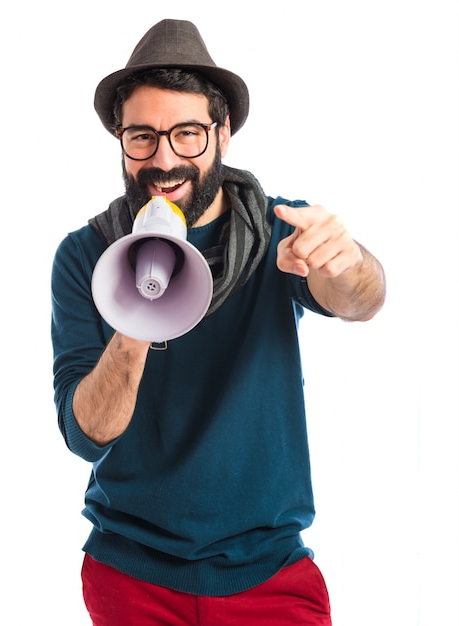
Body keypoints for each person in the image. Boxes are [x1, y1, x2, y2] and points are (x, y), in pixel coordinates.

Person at [51, 19, 386, 626]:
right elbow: (85, 435)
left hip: (271, 572)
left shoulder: (278, 230)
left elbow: (362, 300)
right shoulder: (86, 255)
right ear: (120, 140)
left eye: (187, 134)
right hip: (131, 575)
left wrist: (348, 260)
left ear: (223, 132)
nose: (164, 159)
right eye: (142, 137)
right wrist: (135, 308)